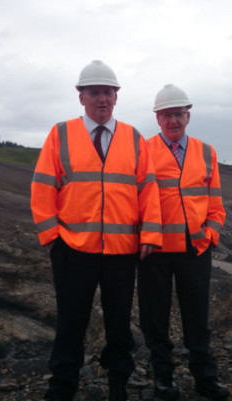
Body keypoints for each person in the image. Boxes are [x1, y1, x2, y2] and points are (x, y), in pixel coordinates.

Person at [31, 60, 162, 401]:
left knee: (119, 325)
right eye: (94, 92)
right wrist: (52, 238)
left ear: (116, 96)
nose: (101, 99)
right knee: (70, 323)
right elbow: (43, 187)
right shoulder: (60, 134)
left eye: (107, 92)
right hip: (73, 249)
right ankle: (61, 388)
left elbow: (147, 189)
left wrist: (149, 234)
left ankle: (118, 384)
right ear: (81, 97)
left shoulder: (134, 138)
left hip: (121, 250)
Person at [137, 84, 229, 400]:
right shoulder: (143, 150)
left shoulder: (206, 152)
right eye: (166, 115)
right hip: (155, 252)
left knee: (197, 320)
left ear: (188, 116)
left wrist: (211, 234)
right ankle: (164, 381)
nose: (173, 121)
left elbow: (215, 203)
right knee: (155, 320)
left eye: (178, 114)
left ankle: (206, 380)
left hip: (195, 250)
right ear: (157, 118)